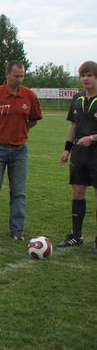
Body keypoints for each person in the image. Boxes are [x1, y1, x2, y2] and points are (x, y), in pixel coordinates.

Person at [0, 61, 43, 242]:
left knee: (18, 192)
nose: (19, 79)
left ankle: (17, 229)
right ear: (7, 74)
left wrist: (20, 133)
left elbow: (34, 119)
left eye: (22, 76)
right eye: (16, 76)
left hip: (20, 150)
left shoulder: (29, 96)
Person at [58, 60, 97, 251]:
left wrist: (92, 138)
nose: (85, 79)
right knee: (78, 192)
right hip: (80, 154)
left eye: (89, 75)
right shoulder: (77, 98)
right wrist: (67, 149)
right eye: (83, 75)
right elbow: (73, 126)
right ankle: (76, 236)